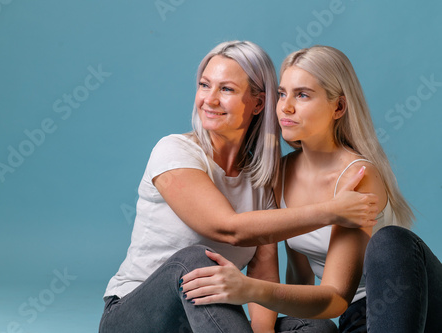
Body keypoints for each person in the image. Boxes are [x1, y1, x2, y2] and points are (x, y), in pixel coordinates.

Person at [98, 41, 379, 333]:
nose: (210, 99)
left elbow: (264, 269)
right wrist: (332, 211)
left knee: (314, 328)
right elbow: (229, 229)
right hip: (135, 317)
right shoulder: (173, 152)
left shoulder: (262, 177)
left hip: (200, 324)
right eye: (205, 85)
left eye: (226, 89)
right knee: (196, 261)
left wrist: (264, 331)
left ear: (258, 103)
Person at [180, 45, 442, 332]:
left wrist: (248, 289)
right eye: (282, 94)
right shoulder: (281, 173)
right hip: (355, 319)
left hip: (415, 310)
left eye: (302, 95)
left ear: (338, 107)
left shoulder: (358, 176)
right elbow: (299, 279)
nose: (286, 107)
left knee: (391, 240)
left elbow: (336, 297)